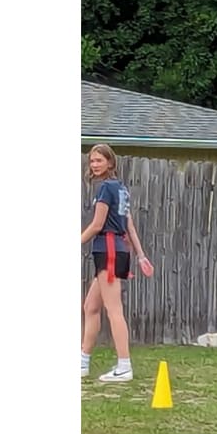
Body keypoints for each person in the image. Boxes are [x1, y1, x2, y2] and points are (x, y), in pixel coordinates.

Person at [80, 144, 154, 382]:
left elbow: (97, 225)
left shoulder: (106, 189)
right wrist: (141, 255)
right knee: (91, 307)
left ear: (110, 163)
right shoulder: (120, 188)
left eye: (99, 160)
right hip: (117, 250)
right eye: (92, 161)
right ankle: (82, 362)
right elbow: (129, 224)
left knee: (114, 310)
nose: (94, 164)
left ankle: (124, 366)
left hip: (109, 251)